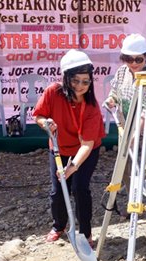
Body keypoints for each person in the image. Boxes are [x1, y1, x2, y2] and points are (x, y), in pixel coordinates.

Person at [33, 49, 106, 247]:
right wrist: (45, 123)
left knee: (79, 188)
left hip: (85, 152)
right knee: (58, 190)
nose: (80, 86)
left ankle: (85, 233)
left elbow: (88, 144)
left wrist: (72, 167)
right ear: (66, 78)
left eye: (85, 81)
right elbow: (38, 115)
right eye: (75, 81)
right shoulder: (53, 92)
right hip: (59, 147)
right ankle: (59, 226)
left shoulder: (91, 107)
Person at [104, 33, 146, 232]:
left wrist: (134, 136)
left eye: (138, 59)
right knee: (127, 169)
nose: (133, 63)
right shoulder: (122, 72)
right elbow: (115, 92)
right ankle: (135, 206)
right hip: (127, 125)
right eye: (128, 59)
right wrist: (111, 100)